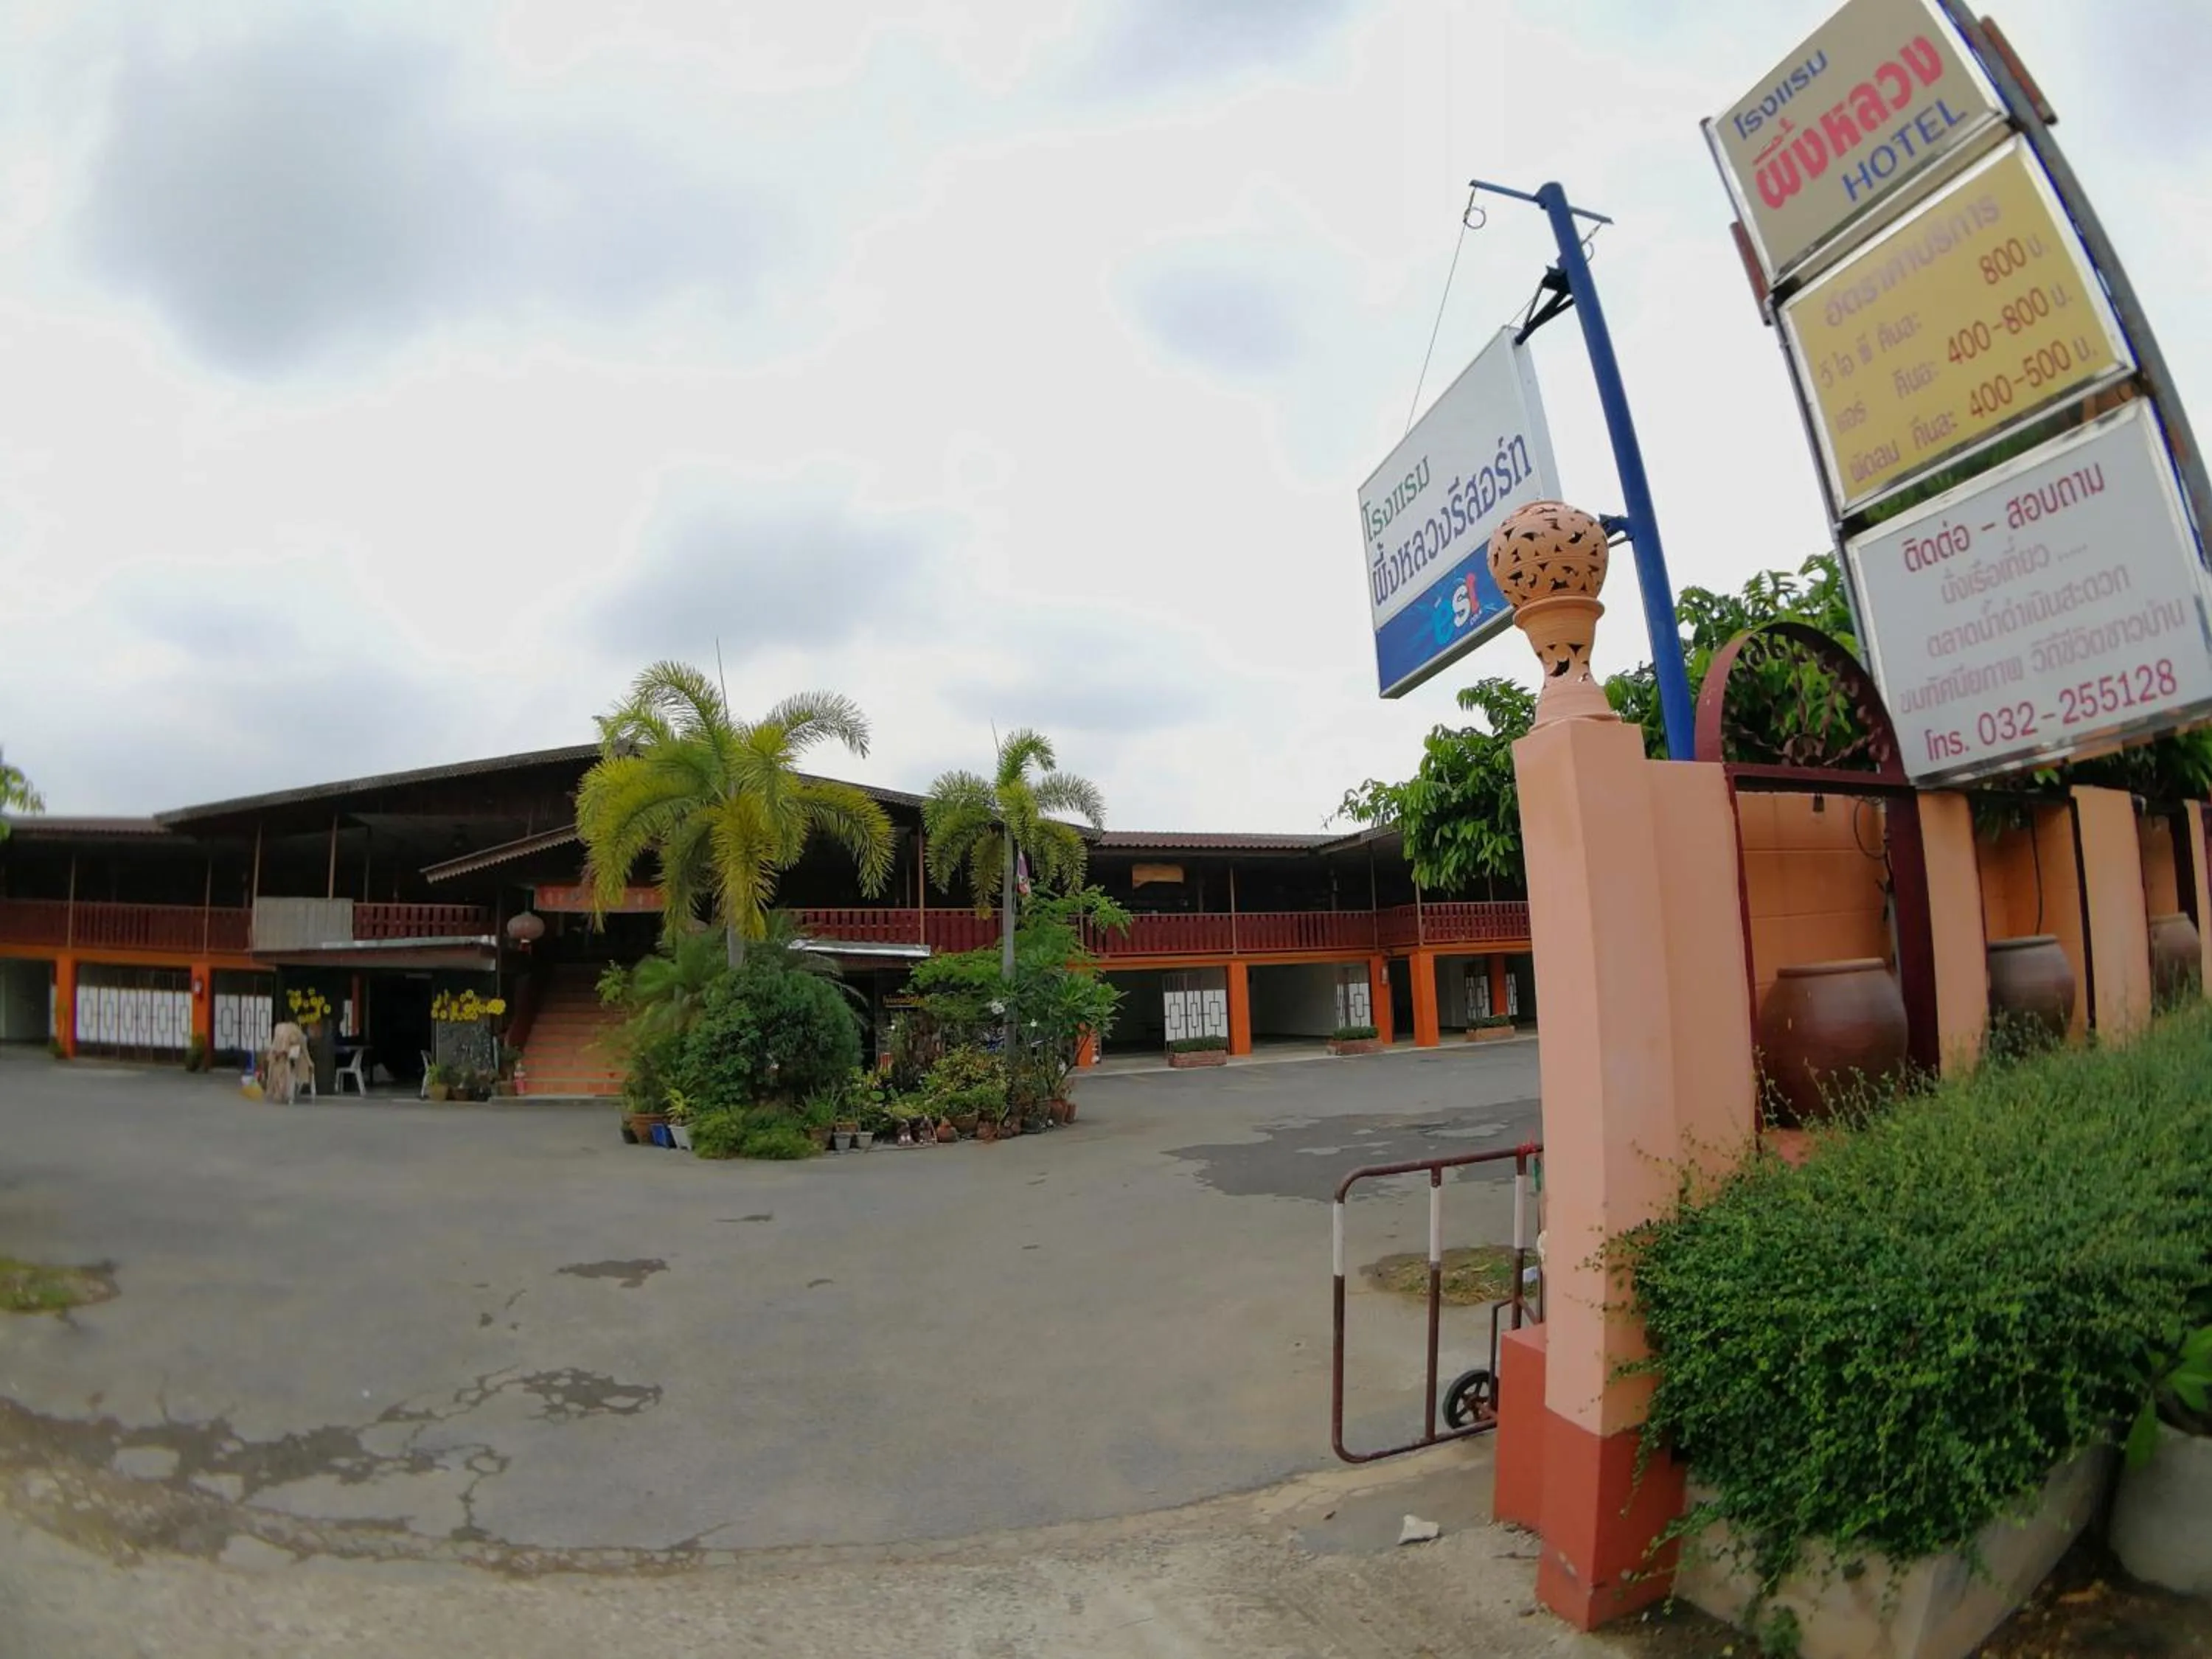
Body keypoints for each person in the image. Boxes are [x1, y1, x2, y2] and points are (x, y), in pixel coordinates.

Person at [264, 1021, 310, 1104]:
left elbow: (300, 1050)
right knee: (280, 1074)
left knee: (284, 1075)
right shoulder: (288, 1033)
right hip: (281, 1057)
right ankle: (283, 1093)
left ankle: (283, 1093)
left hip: (284, 1057)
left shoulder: (292, 1034)